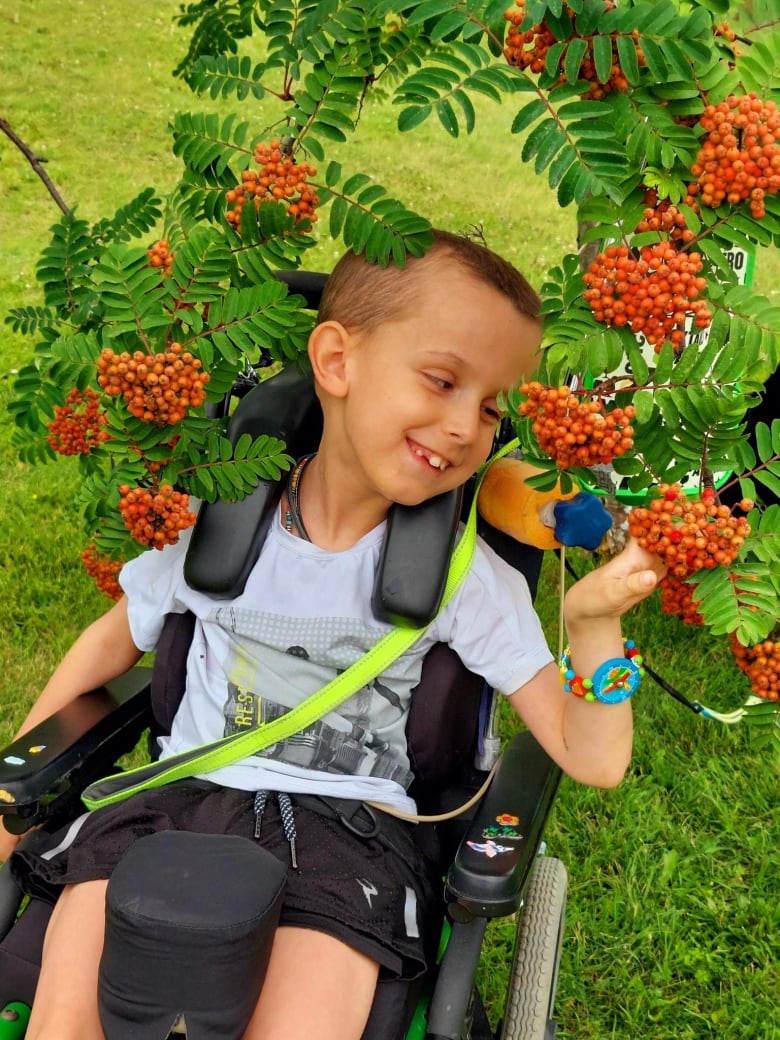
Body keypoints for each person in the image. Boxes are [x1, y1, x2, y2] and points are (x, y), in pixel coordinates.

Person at [4, 230, 665, 1040]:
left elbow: (594, 759)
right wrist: (10, 795)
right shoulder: (207, 521)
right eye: (442, 380)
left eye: (491, 406)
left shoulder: (464, 579)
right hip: (168, 808)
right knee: (65, 1020)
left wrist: (593, 627)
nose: (466, 426)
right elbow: (109, 645)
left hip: (347, 835)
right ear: (337, 361)